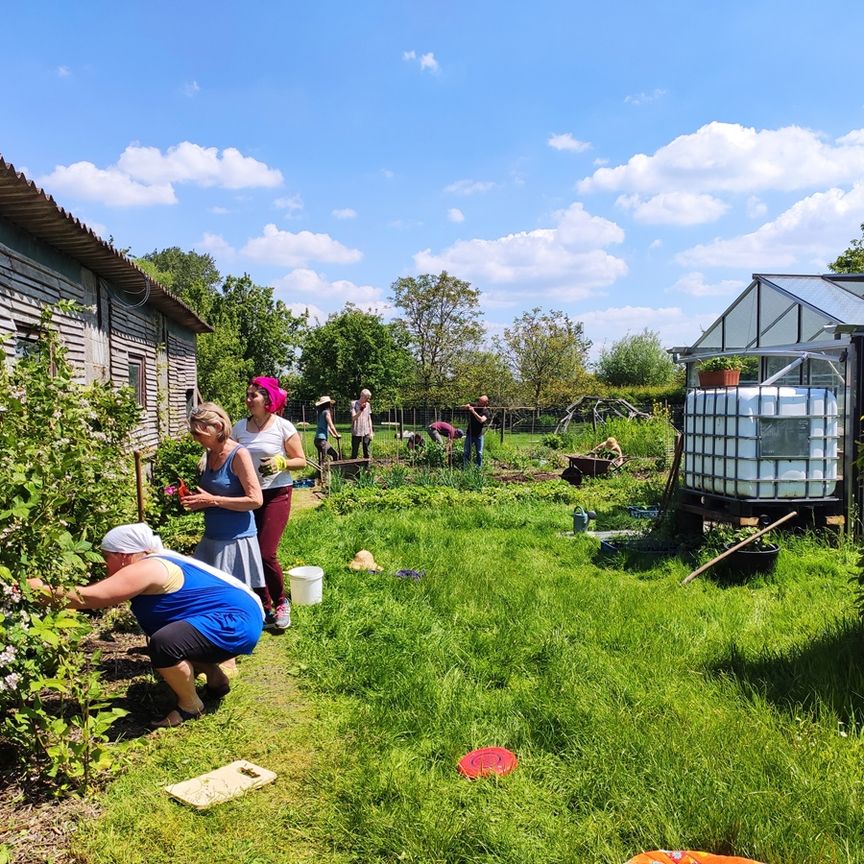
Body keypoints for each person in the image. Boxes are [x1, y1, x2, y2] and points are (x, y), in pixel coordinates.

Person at [27, 523, 264, 728]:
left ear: (124, 555)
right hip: (240, 619)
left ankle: (190, 706)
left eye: (106, 557)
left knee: (166, 643)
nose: (104, 564)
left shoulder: (147, 567)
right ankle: (216, 679)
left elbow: (88, 598)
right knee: (176, 634)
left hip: (234, 623)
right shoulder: (158, 561)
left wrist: (38, 589)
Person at [232, 377, 306, 630]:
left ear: (268, 400)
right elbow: (228, 453)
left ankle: (281, 602)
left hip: (276, 494)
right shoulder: (239, 427)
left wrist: (282, 462)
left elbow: (301, 461)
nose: (248, 399)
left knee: (265, 553)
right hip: (248, 496)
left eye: (254, 395)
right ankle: (263, 607)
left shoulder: (283, 427)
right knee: (250, 553)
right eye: (248, 394)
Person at [182, 403, 265, 592]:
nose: (195, 439)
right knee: (210, 595)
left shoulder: (239, 454)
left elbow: (255, 500)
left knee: (231, 596)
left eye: (198, 433)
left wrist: (212, 501)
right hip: (212, 537)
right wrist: (198, 501)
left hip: (234, 540)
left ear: (217, 427)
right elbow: (213, 494)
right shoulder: (209, 454)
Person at [463, 395, 490, 468]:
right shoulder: (475, 405)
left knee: (479, 453)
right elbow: (465, 406)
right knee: (466, 452)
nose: (479, 403)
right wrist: (467, 406)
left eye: (481, 402)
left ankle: (479, 468)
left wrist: (473, 412)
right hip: (470, 434)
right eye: (479, 401)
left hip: (479, 435)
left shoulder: (486, 412)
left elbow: (481, 420)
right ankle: (465, 467)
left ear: (486, 403)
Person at [314, 396, 341, 462]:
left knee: (322, 459)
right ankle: (333, 470)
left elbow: (327, 427)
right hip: (322, 440)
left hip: (317, 440)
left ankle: (320, 471)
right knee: (334, 455)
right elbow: (331, 426)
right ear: (328, 404)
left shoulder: (320, 413)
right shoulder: (326, 412)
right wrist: (337, 434)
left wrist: (333, 435)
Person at [350, 388, 374, 459]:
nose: (368, 400)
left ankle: (367, 468)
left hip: (366, 431)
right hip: (356, 431)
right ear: (362, 396)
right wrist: (360, 409)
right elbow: (353, 418)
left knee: (366, 450)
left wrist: (371, 431)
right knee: (354, 452)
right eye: (367, 398)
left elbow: (369, 418)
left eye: (369, 398)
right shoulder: (354, 404)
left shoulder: (368, 405)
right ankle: (353, 467)